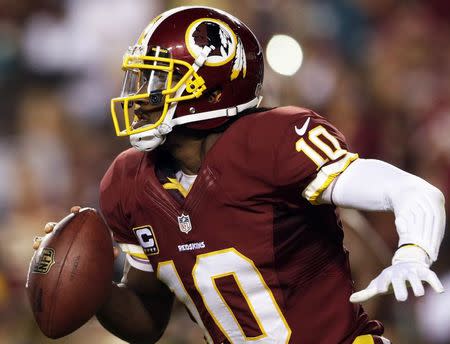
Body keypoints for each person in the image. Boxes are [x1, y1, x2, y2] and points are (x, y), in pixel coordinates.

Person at [34, 6, 446, 344]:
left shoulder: (272, 141)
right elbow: (147, 322)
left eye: (159, 79)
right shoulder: (127, 184)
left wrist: (413, 251)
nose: (140, 95)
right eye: (142, 78)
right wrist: (95, 288)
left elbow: (411, 190)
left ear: (211, 90)